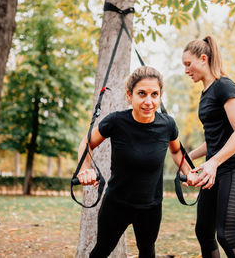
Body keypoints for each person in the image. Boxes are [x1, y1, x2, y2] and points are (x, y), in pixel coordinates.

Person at [77, 66, 195, 258]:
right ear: (129, 95)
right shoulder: (116, 122)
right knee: (101, 251)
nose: (149, 101)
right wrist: (85, 168)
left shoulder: (167, 125)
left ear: (160, 96)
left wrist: (189, 172)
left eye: (154, 94)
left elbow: (176, 150)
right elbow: (87, 143)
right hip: (116, 204)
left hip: (151, 206)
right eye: (142, 94)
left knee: (147, 252)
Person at [182, 36, 235, 258]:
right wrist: (187, 156)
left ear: (203, 59)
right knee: (204, 232)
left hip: (234, 169)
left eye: (188, 64)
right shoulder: (205, 94)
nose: (186, 71)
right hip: (214, 172)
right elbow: (215, 138)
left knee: (227, 236)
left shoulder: (224, 86)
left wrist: (212, 162)